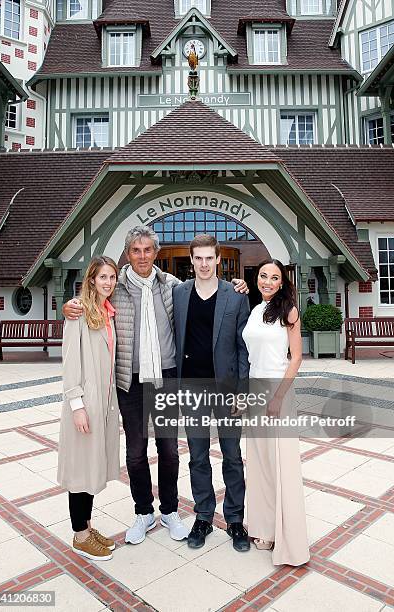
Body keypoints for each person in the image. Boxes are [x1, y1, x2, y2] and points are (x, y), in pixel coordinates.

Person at [63, 226, 248, 546]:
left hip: (167, 378)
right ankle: (143, 512)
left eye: (148, 249)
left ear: (156, 253)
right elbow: (89, 297)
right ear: (128, 254)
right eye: (136, 250)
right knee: (135, 452)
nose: (142, 256)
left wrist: (239, 284)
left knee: (170, 450)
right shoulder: (114, 286)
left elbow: (215, 303)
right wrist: (71, 305)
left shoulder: (172, 286)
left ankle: (171, 511)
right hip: (130, 381)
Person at [173, 234, 251, 552]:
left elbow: (244, 348)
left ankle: (234, 520)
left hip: (227, 388)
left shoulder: (235, 295)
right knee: (197, 457)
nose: (204, 264)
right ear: (191, 261)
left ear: (218, 259)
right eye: (198, 258)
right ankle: (203, 516)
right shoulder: (178, 293)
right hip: (192, 386)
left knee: (232, 457)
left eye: (209, 258)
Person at [242, 259, 310, 566]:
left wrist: (278, 398)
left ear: (282, 282)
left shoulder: (289, 311)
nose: (267, 281)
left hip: (277, 391)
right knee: (259, 463)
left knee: (280, 464)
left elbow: (296, 358)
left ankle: (288, 539)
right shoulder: (256, 310)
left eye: (274, 277)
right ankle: (265, 528)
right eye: (263, 276)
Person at [57, 256, 120, 561]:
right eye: (103, 277)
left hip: (103, 405)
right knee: (81, 470)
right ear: (92, 279)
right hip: (84, 406)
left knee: (93, 467)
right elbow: (70, 362)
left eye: (112, 277)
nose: (108, 282)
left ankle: (88, 526)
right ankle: (80, 536)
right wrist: (77, 405)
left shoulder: (107, 312)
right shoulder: (78, 312)